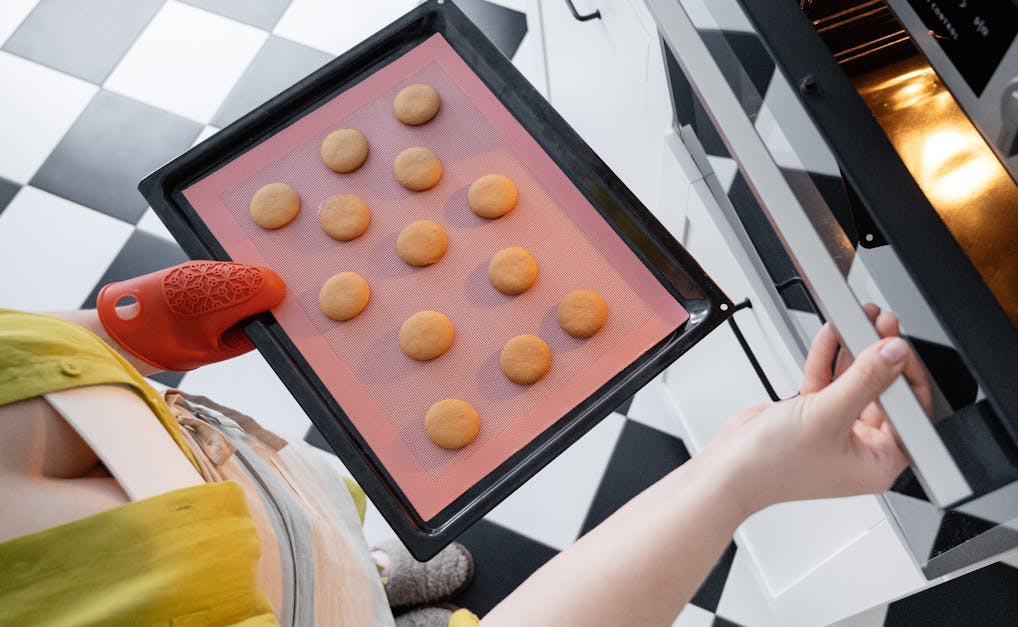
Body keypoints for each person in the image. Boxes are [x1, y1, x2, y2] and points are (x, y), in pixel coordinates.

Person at [0, 261, 928, 626]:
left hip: (258, 496)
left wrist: (117, 331)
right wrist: (735, 474)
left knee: (335, 542)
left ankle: (364, 577)